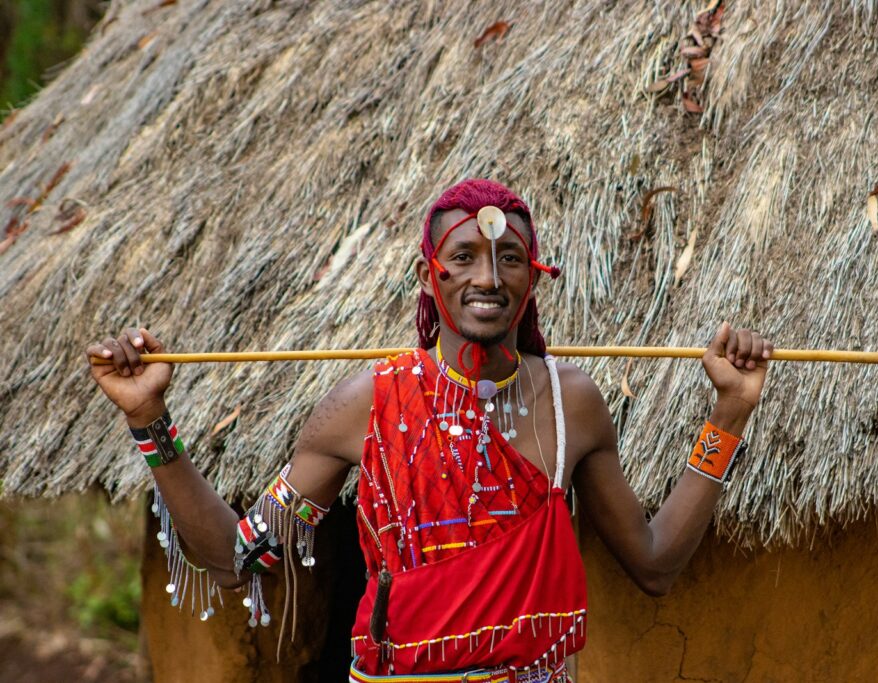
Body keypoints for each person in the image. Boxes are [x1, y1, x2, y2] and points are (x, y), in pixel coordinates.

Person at [86, 179, 773, 683]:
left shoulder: (571, 403)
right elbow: (239, 559)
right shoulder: (366, 406)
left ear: (533, 277)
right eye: (465, 255)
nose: (487, 277)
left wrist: (729, 415)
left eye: (509, 259)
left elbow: (654, 563)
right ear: (428, 274)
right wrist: (149, 421)